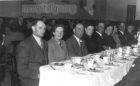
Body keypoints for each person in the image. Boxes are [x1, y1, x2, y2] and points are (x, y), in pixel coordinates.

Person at [16, 20, 48, 86]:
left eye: (44, 28)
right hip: (30, 80)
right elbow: (21, 69)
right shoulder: (25, 44)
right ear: (33, 28)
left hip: (43, 76)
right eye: (40, 28)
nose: (43, 30)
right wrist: (37, 75)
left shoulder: (45, 42)